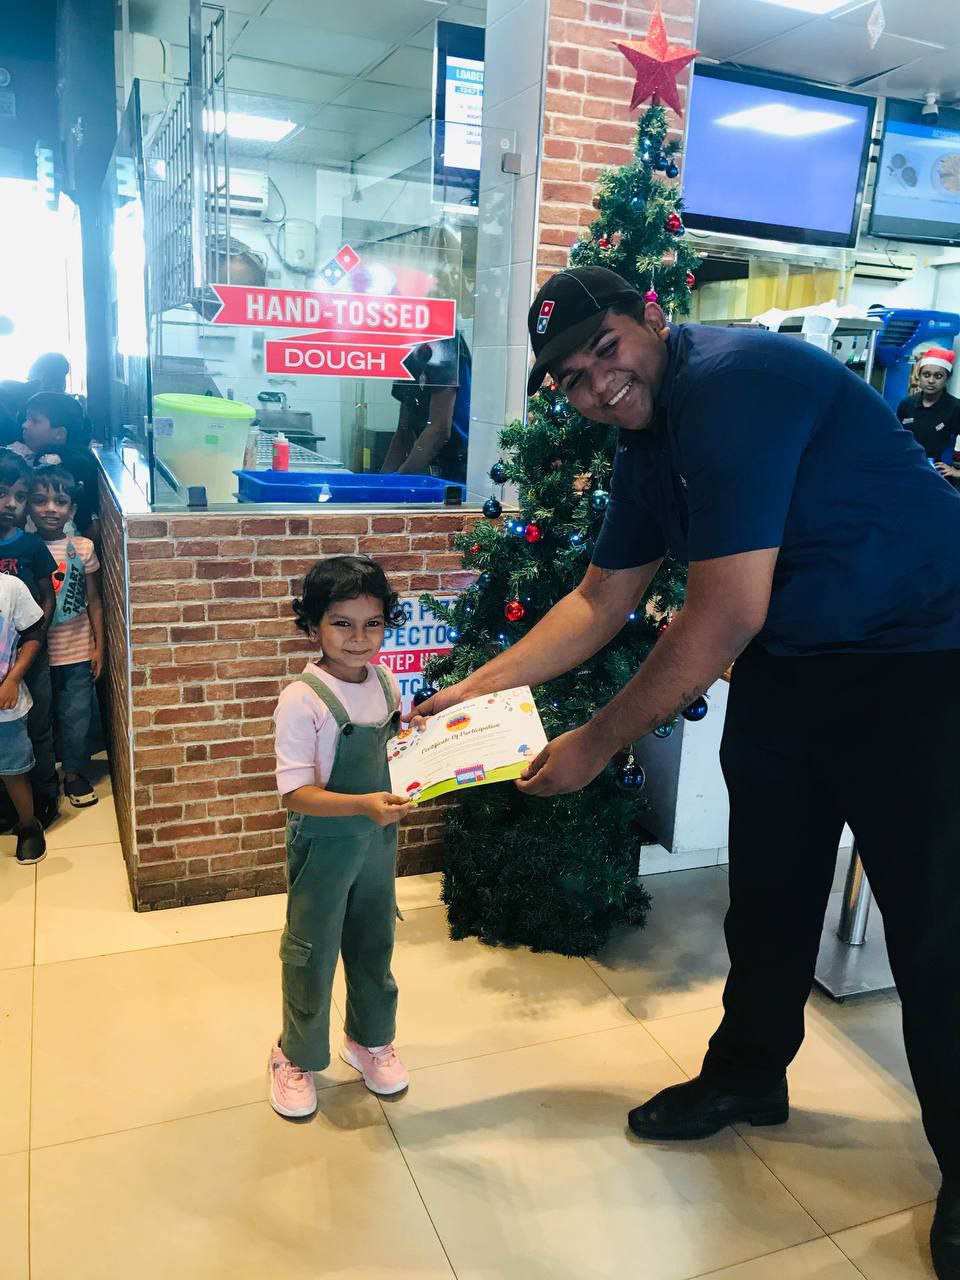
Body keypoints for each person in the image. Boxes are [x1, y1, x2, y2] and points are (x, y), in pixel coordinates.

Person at [415, 266, 960, 1280]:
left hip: (919, 662)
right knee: (766, 899)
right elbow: (600, 598)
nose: (597, 386)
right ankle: (749, 1075)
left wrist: (595, 742)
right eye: (572, 378)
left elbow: (721, 612)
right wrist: (471, 691)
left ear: (650, 319)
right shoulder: (647, 440)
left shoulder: (736, 382)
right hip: (795, 668)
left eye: (606, 352)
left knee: (936, 932)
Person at [268, 555, 412, 1119]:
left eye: (372, 623)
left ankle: (369, 1038)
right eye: (342, 624)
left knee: (375, 942)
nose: (359, 639)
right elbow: (294, 794)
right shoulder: (301, 699)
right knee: (312, 951)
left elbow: (391, 749)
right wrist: (362, 806)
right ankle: (294, 1053)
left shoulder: (385, 682)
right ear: (313, 626)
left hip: (377, 845)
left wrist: (418, 731)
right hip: (324, 846)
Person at [28, 466, 103, 809]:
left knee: (76, 717)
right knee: (41, 717)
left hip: (76, 651)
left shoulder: (83, 546)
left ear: (72, 509)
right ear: (29, 504)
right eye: (41, 500)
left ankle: (73, 773)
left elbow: (95, 600)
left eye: (60, 501)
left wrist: (99, 646)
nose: (50, 508)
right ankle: (40, 776)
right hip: (35, 655)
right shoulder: (26, 549)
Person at [0, 450, 58, 829]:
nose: (12, 504)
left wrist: (34, 634)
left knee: (36, 726)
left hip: (28, 654)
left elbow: (46, 596)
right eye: (4, 493)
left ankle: (44, 796)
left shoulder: (29, 546)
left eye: (21, 498)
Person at [0, 570, 48, 864]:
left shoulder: (10, 587)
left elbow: (33, 634)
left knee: (12, 769)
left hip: (4, 703)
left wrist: (13, 680)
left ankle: (28, 825)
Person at [10, 393, 100, 543]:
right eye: (27, 418)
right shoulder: (80, 454)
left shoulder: (53, 461)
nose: (24, 425)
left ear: (59, 434)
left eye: (34, 420)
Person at [381, 335, 471, 481]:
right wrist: (381, 485)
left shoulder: (443, 341)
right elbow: (403, 433)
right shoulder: (408, 349)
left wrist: (397, 481)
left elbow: (439, 431)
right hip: (430, 466)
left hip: (458, 469)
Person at [896, 347, 960, 480]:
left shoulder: (955, 407)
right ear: (918, 376)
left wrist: (958, 473)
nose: (931, 381)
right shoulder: (906, 404)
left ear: (947, 378)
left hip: (939, 478)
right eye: (926, 375)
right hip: (907, 472)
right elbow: (897, 439)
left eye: (938, 376)